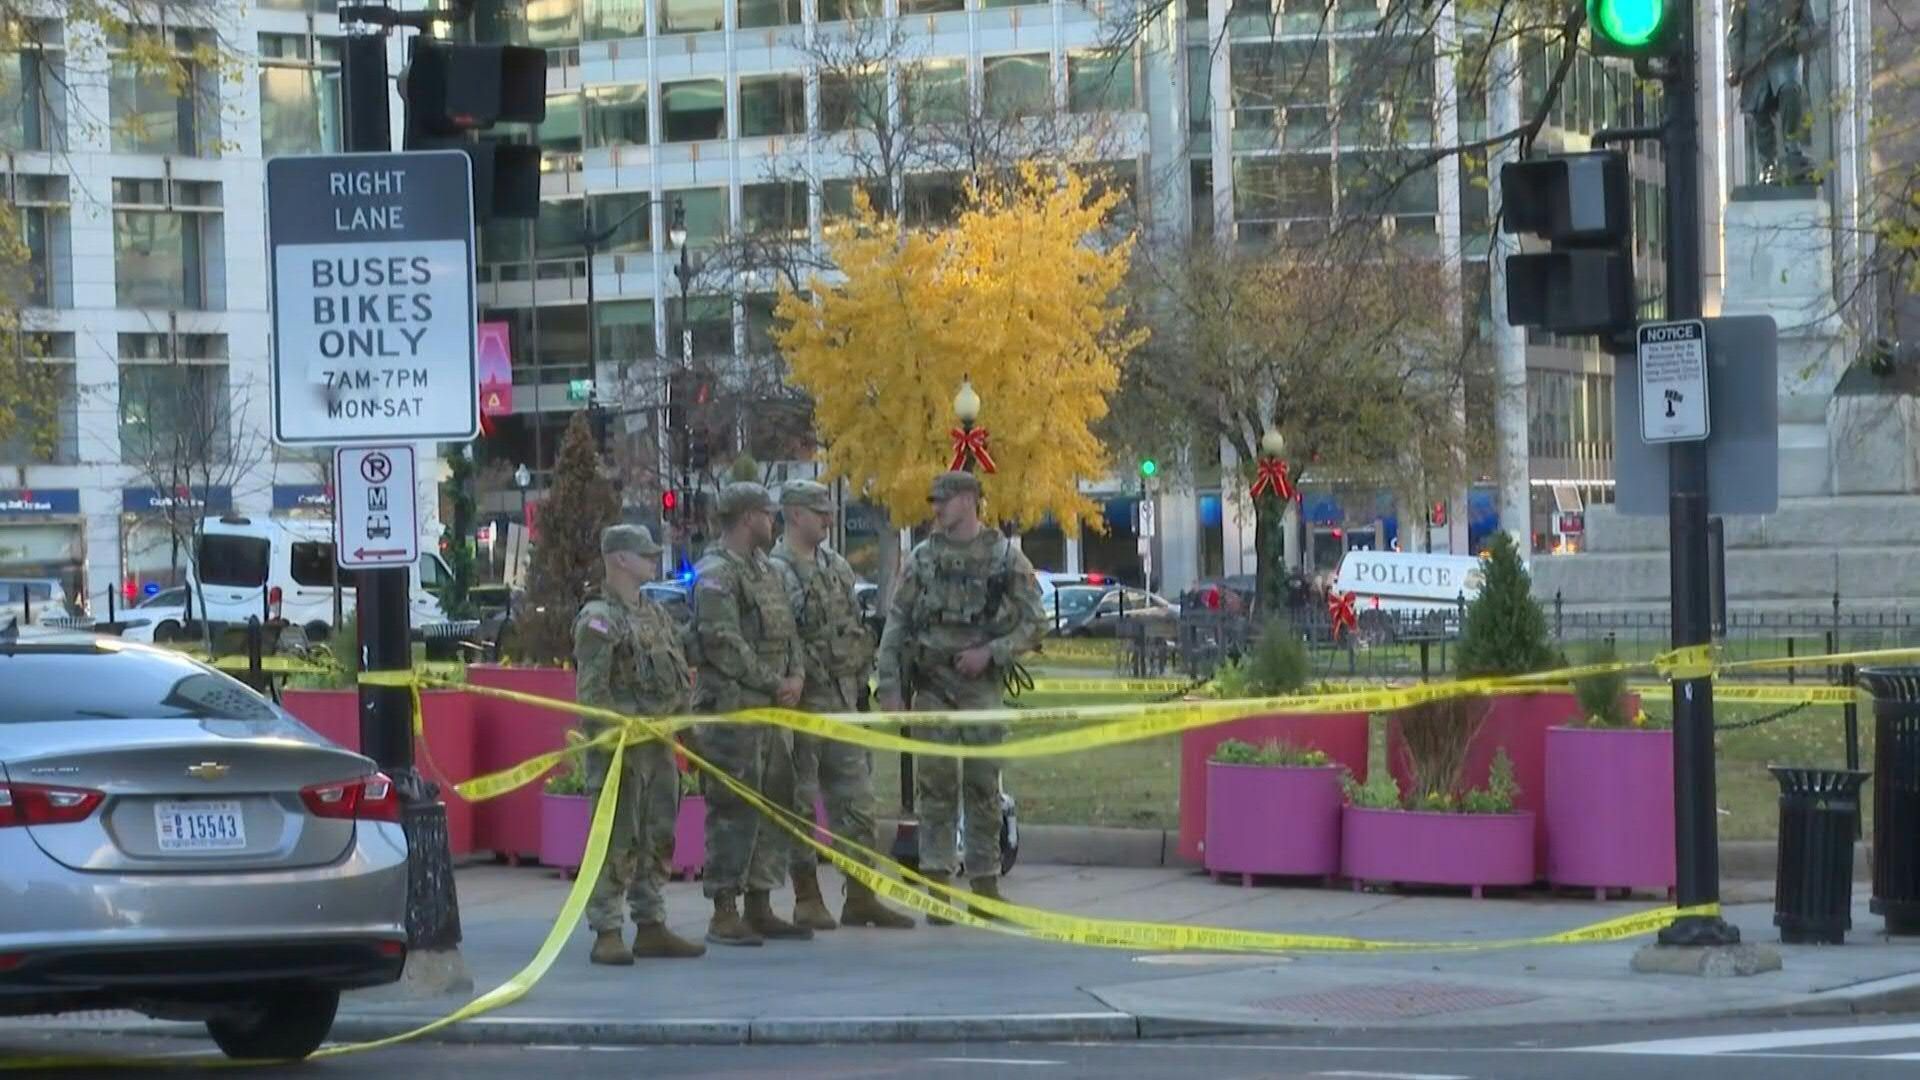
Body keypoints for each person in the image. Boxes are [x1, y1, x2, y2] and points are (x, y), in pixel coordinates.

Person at [875, 471, 1045, 923]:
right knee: (935, 790)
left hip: (981, 690)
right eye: (934, 502)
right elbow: (896, 622)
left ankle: (985, 888)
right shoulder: (922, 558)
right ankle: (937, 891)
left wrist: (991, 652)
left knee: (984, 788)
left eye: (944, 501)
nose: (936, 509)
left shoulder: (1005, 557)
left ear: (969, 500)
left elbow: (1035, 622)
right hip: (933, 689)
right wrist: (888, 685)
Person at [770, 481, 916, 932]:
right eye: (819, 512)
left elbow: (850, 625)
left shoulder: (837, 566)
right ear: (794, 515)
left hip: (844, 699)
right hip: (803, 707)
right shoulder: (777, 570)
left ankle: (862, 895)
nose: (829, 519)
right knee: (798, 803)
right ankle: (807, 895)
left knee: (858, 802)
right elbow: (782, 638)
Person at [572, 524, 705, 966]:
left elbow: (677, 676)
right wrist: (615, 739)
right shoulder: (598, 618)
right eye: (646, 554)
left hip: (659, 746)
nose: (654, 560)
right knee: (615, 838)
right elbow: (593, 693)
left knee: (658, 834)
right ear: (621, 560)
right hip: (622, 753)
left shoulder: (655, 614)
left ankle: (651, 922)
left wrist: (687, 733)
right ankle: (607, 928)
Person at [689, 482, 811, 947]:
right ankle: (724, 909)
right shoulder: (717, 573)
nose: (772, 520)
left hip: (773, 713)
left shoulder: (767, 570)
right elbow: (723, 643)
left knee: (776, 802)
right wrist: (771, 680)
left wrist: (795, 674)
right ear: (745, 519)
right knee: (733, 808)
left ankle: (761, 901)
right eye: (766, 512)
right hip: (733, 712)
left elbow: (789, 631)